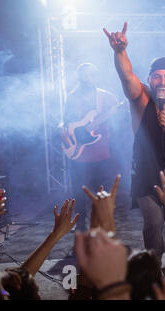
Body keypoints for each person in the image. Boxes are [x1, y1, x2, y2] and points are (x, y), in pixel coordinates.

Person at [103, 22, 165, 268]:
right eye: (157, 76)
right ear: (149, 79)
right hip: (146, 172)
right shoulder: (141, 97)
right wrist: (119, 51)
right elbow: (126, 75)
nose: (162, 81)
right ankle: (152, 261)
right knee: (153, 224)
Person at [58, 62, 121, 231]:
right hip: (79, 154)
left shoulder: (106, 97)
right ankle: (80, 229)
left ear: (96, 76)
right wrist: (65, 132)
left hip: (102, 152)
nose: (88, 78)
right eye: (84, 75)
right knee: (79, 193)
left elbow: (119, 119)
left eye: (91, 74)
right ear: (79, 77)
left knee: (103, 193)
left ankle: (102, 228)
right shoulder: (72, 97)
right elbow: (66, 121)